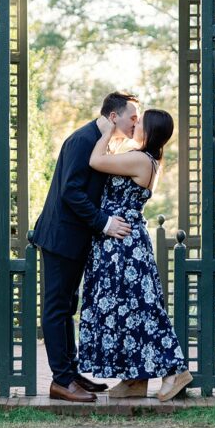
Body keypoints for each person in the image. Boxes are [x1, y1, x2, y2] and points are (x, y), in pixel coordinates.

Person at [77, 108, 193, 401]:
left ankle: (174, 370)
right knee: (125, 309)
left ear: (150, 129)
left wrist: (106, 132)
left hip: (125, 248)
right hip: (119, 243)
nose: (135, 122)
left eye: (139, 121)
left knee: (141, 309)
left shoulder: (141, 159)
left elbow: (95, 161)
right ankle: (135, 379)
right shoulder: (143, 157)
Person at [32, 92, 141, 402]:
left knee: (68, 307)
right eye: (132, 117)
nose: (135, 122)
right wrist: (104, 223)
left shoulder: (101, 141)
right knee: (56, 308)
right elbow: (71, 192)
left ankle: (71, 373)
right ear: (113, 117)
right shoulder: (83, 140)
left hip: (75, 239)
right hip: (60, 237)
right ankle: (61, 381)